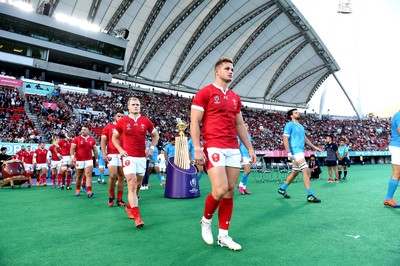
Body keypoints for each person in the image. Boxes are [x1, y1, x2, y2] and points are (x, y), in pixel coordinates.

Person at [190, 57, 257, 251]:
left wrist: (250, 148)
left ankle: (223, 235)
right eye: (227, 68)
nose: (231, 71)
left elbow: (239, 125)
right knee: (219, 190)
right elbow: (195, 122)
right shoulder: (205, 92)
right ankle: (205, 221)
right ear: (216, 71)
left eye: (232, 69)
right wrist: (197, 147)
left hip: (232, 148)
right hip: (213, 145)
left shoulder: (235, 97)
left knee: (230, 191)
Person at [112, 97, 159, 228]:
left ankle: (129, 207)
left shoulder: (146, 121)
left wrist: (151, 148)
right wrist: (120, 150)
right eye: (133, 105)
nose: (135, 106)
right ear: (128, 107)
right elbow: (114, 138)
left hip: (141, 158)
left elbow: (156, 135)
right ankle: (137, 217)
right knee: (131, 184)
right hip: (128, 157)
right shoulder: (122, 121)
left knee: (138, 185)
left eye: (137, 104)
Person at [277, 108, 322, 203]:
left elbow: (305, 139)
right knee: (305, 170)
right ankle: (310, 195)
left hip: (300, 151)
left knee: (295, 172)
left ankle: (282, 189)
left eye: (298, 112)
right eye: (296, 113)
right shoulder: (289, 125)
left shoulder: (301, 126)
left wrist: (315, 147)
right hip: (295, 151)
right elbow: (285, 139)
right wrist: (289, 152)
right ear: (291, 116)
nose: (298, 114)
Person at [100, 110, 127, 207]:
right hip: (111, 154)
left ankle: (119, 199)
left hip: (123, 154)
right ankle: (111, 196)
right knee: (112, 175)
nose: (120, 118)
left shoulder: (126, 127)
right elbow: (103, 141)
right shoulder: (109, 127)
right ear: (115, 117)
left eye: (122, 116)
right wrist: (103, 153)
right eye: (118, 116)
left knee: (121, 176)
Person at [70, 126, 98, 197]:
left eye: (84, 129)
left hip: (89, 160)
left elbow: (95, 150)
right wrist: (72, 157)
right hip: (79, 160)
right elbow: (72, 149)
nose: (82, 131)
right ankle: (77, 189)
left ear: (88, 131)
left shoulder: (92, 140)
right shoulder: (76, 139)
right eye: (82, 129)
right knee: (79, 176)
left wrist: (96, 160)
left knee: (88, 175)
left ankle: (89, 191)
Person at [383, 110, 400, 208]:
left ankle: (388, 198)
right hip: (398, 147)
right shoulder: (399, 115)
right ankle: (388, 199)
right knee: (397, 172)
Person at [237, 123, 253, 195]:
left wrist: (252, 154)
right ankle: (240, 185)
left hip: (248, 155)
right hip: (243, 154)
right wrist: (239, 155)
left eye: (247, 125)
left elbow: (250, 146)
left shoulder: (249, 136)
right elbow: (237, 145)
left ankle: (244, 187)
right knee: (247, 171)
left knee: (248, 172)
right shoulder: (239, 135)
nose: (247, 126)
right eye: (245, 125)